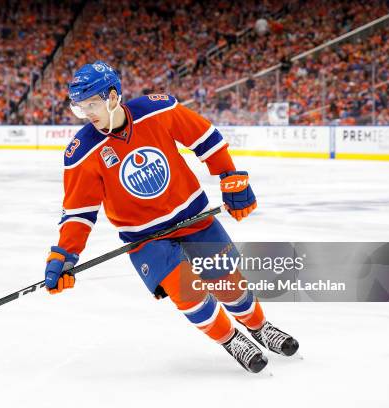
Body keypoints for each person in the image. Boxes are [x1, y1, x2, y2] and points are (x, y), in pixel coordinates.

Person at [43, 61, 299, 373]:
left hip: (192, 218)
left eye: (92, 105)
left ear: (113, 96)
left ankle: (259, 327)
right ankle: (232, 340)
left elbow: (205, 137)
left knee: (228, 283)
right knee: (185, 289)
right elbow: (79, 213)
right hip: (144, 237)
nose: (87, 114)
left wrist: (229, 175)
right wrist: (65, 253)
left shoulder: (157, 110)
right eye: (79, 108)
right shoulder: (81, 151)